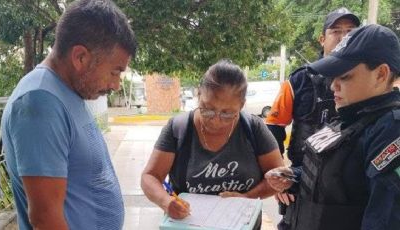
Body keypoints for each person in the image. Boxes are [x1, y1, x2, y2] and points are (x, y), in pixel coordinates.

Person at [1, 1, 137, 229]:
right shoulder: (40, 102)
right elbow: (46, 219)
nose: (115, 85)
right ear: (80, 57)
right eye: (115, 71)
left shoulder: (68, 93)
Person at [266, 24, 400, 230]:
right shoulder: (350, 116)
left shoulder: (390, 131)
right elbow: (341, 183)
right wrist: (294, 178)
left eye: (344, 77)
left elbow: (385, 219)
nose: (332, 86)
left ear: (381, 74)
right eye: (333, 77)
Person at [141, 60, 284, 224]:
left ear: (241, 105)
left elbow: (277, 177)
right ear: (199, 95)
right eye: (207, 109)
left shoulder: (253, 128)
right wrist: (166, 202)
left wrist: (246, 198)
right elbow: (150, 176)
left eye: (227, 113)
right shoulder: (179, 128)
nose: (215, 121)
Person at [264, 8, 360, 229]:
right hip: (301, 177)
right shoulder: (300, 80)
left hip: (345, 184)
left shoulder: (365, 78)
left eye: (350, 31)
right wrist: (281, 177)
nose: (343, 37)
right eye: (336, 31)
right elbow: (273, 127)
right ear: (322, 39)